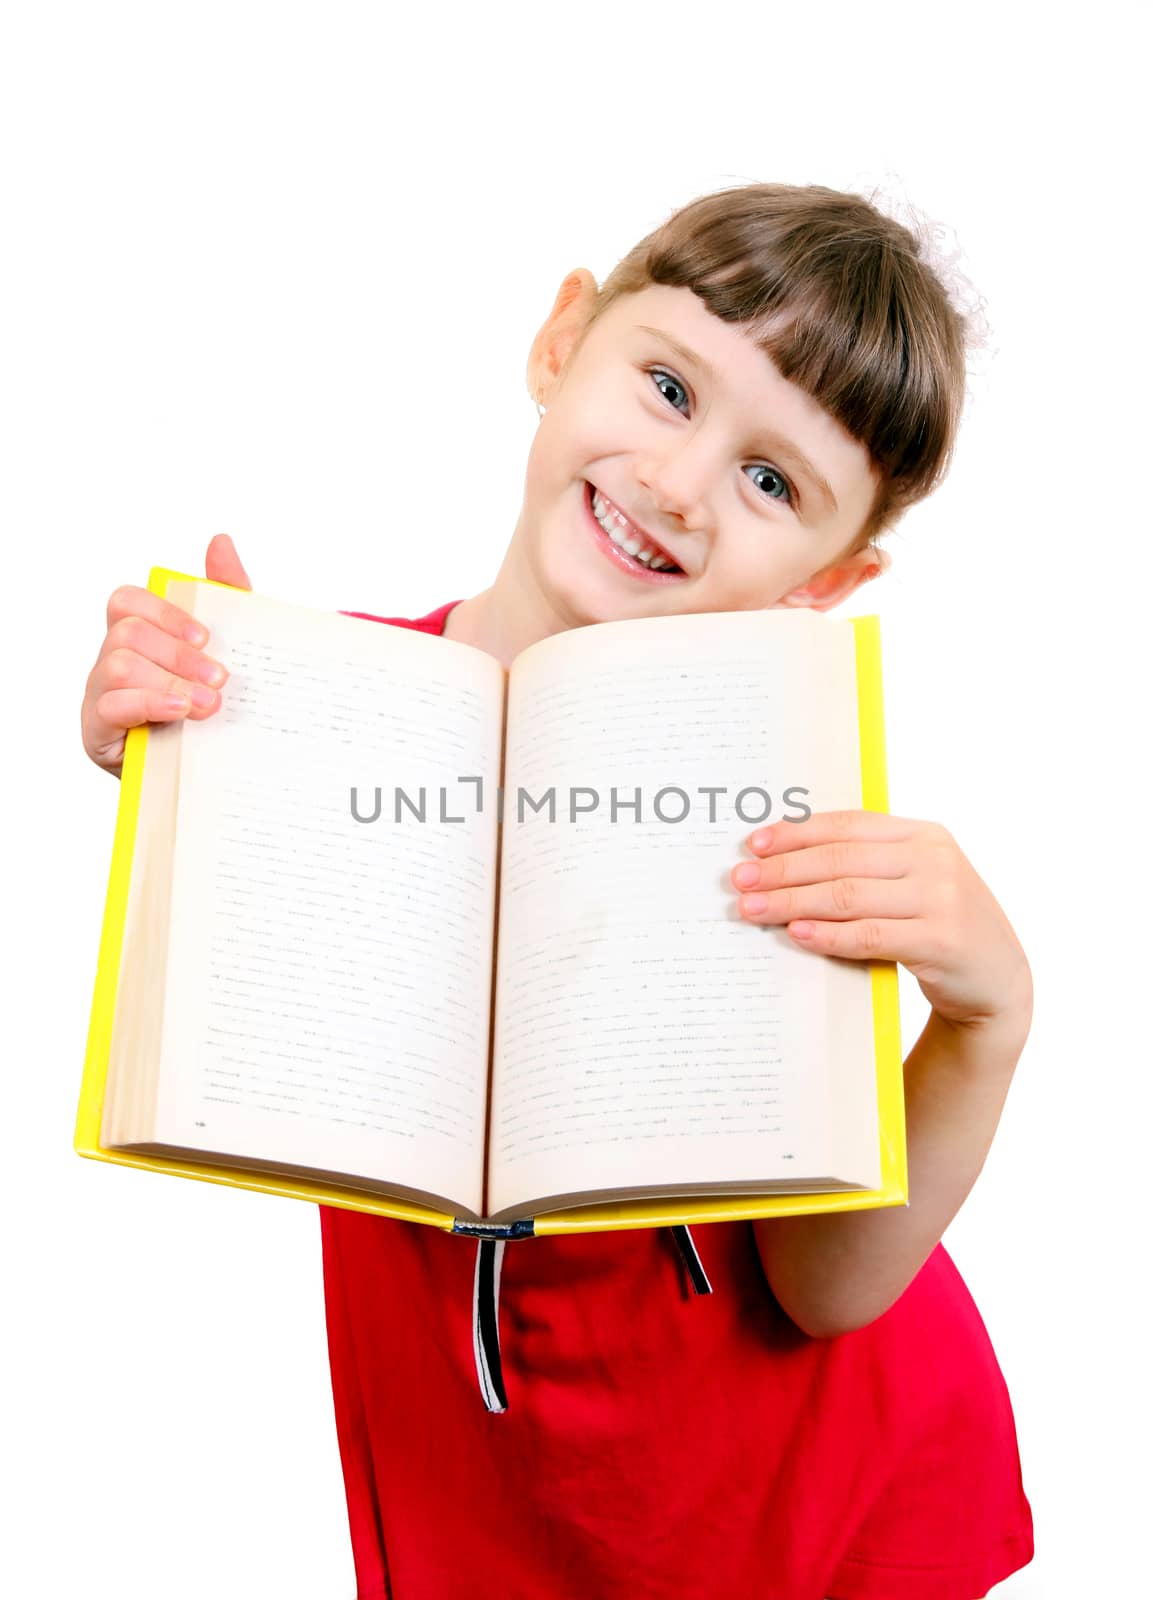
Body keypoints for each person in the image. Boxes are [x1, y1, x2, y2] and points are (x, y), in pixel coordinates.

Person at [79, 183, 1034, 1599]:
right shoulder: (334, 704)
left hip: (803, 1503)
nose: (676, 484)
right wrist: (170, 744)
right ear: (559, 340)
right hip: (489, 1482)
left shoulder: (784, 819)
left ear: (828, 578)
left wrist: (983, 1024)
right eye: (665, 388)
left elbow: (829, 1291)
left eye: (771, 483)